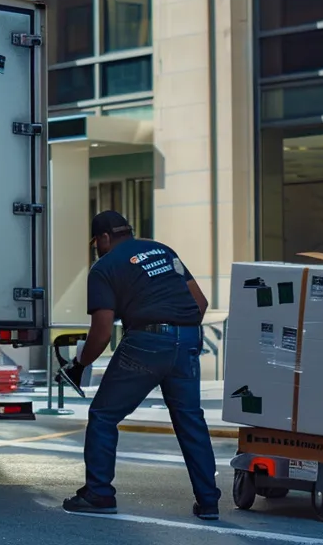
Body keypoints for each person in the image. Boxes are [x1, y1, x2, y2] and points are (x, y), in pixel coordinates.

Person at [61, 210, 219, 520]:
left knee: (103, 416)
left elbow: (102, 332)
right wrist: (178, 333)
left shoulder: (104, 268)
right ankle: (208, 501)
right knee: (190, 421)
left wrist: (80, 362)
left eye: (96, 242)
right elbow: (200, 303)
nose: (97, 247)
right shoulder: (163, 250)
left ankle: (99, 494)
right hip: (188, 339)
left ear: (105, 238)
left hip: (146, 343)